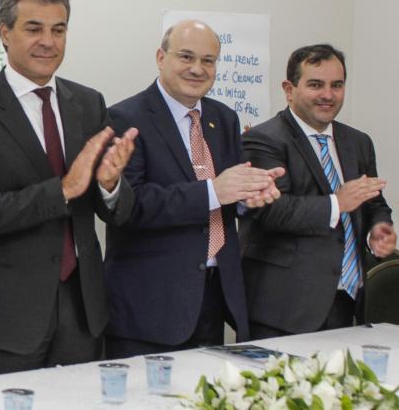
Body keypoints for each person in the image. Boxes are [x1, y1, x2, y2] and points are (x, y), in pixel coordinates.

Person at [0, 0, 138, 375]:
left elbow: (117, 212)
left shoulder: (88, 102)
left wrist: (110, 185)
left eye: (58, 29)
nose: (48, 41)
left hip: (83, 313)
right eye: (34, 29)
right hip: (6, 318)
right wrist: (64, 189)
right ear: (5, 32)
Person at [104, 20, 283, 358]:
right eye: (186, 57)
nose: (197, 69)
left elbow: (230, 196)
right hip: (150, 305)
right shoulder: (124, 117)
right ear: (161, 57)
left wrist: (250, 196)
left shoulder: (224, 118)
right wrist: (214, 192)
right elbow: (130, 206)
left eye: (208, 60)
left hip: (215, 293)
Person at [241, 44, 395, 338]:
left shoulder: (358, 141)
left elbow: (373, 201)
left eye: (337, 85)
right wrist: (336, 203)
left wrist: (379, 227)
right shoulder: (262, 140)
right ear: (289, 89)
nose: (328, 95)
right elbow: (270, 211)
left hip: (347, 298)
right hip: (284, 307)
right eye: (315, 85)